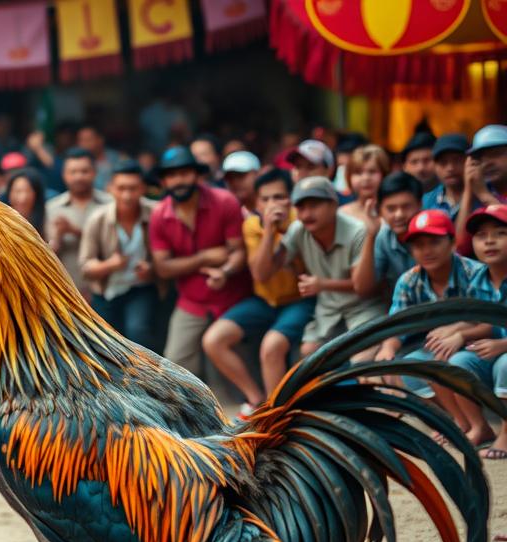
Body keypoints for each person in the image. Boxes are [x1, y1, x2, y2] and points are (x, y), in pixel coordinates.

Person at [375, 209, 494, 445]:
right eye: (419, 245)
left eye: (434, 242)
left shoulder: (475, 273)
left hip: (480, 344)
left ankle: (479, 426)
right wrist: (387, 349)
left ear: (452, 243)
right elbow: (397, 325)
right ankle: (456, 421)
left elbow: (490, 321)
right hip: (439, 347)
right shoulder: (409, 280)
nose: (426, 250)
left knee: (449, 362)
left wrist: (459, 333)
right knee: (411, 366)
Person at [206, 169, 314, 417]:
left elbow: (305, 269)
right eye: (265, 199)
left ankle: (277, 417)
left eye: (279, 197)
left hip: (299, 300)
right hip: (264, 301)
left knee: (271, 346)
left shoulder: (304, 221)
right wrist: (269, 230)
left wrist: (285, 230)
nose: (272, 205)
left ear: (292, 198)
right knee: (214, 339)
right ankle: (257, 400)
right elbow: (261, 274)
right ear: (256, 202)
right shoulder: (253, 225)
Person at [149, 146, 251, 380]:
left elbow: (238, 253)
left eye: (184, 173)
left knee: (232, 370)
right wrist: (204, 258)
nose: (178, 180)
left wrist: (224, 271)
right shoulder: (159, 215)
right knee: (173, 368)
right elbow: (163, 269)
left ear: (196, 175)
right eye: (171, 175)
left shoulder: (224, 201)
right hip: (191, 301)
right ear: (164, 181)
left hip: (232, 298)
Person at [257, 176, 386, 358]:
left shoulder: (357, 231)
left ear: (333, 205)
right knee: (309, 354)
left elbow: (363, 288)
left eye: (314, 206)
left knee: (360, 361)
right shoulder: (298, 229)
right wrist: (269, 232)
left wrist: (323, 284)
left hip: (364, 310)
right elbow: (262, 274)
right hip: (329, 313)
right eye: (301, 207)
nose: (307, 214)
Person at [78, 161, 158, 350]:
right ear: (110, 189)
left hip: (141, 288)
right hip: (107, 290)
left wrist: (152, 269)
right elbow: (85, 267)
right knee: (107, 345)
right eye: (121, 188)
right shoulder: (98, 219)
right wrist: (110, 265)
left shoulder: (156, 213)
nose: (127, 195)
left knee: (138, 332)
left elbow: (168, 253)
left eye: (133, 188)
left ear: (143, 189)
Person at [464, 204, 507, 459]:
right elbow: (475, 322)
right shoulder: (477, 278)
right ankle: (478, 426)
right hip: (494, 352)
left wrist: (502, 346)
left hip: (504, 356)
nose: (489, 241)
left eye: (500, 233)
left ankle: (506, 433)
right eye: (481, 236)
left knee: (505, 364)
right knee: (458, 362)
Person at [46, 149, 112, 285]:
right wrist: (57, 236)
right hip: (67, 289)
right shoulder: (52, 208)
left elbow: (115, 250)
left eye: (84, 171)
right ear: (64, 175)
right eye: (73, 172)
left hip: (106, 289)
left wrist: (74, 230)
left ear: (94, 173)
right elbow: (47, 254)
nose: (78, 177)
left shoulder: (110, 204)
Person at [353, 171, 423, 298]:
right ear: (380, 210)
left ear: (420, 205)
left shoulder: (434, 230)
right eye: (391, 209)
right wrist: (371, 234)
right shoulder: (382, 236)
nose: (399, 215)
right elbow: (362, 290)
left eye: (406, 207)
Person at [456, 125, 507, 255]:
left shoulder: (482, 191)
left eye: (495, 154)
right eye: (480, 159)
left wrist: (484, 195)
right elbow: (460, 248)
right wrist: (468, 189)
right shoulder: (479, 189)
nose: (487, 163)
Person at [340, 144, 391, 220]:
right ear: (349, 177)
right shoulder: (342, 214)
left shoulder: (394, 211)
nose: (365, 178)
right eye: (358, 172)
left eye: (372, 171)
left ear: (385, 174)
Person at [422, 133, 468, 218]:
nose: (450, 168)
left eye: (457, 160)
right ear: (435, 166)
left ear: (469, 161)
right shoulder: (426, 202)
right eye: (443, 162)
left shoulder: (484, 195)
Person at [5, 168, 47, 235]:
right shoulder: (1, 222)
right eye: (18, 191)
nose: (22, 198)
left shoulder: (48, 221)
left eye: (28, 191)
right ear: (9, 194)